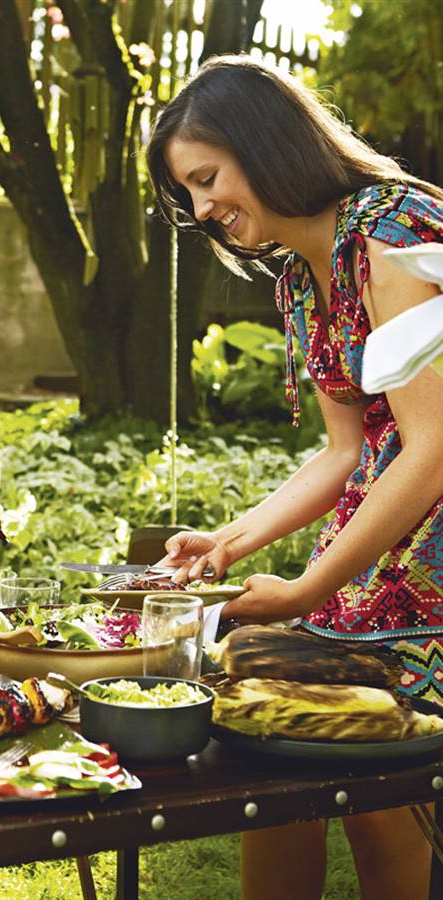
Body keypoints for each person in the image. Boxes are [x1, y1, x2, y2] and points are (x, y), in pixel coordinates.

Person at [146, 55, 443, 900]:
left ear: (263, 142)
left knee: (381, 788)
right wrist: (229, 543)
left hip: (433, 581)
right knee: (267, 741)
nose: (202, 210)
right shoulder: (303, 285)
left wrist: (310, 587)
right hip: (382, 559)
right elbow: (343, 452)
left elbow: (432, 450)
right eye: (189, 194)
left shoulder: (393, 234)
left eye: (207, 178)